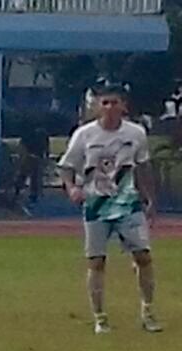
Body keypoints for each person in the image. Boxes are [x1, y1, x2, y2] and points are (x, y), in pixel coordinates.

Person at [58, 80, 161, 335]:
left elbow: (143, 166)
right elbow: (66, 166)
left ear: (123, 106)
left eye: (114, 102)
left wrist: (149, 198)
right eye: (105, 103)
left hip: (128, 204)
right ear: (97, 107)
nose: (110, 107)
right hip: (96, 204)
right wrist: (71, 187)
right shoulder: (84, 135)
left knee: (143, 256)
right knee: (96, 261)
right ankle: (100, 316)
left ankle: (147, 310)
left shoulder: (135, 133)